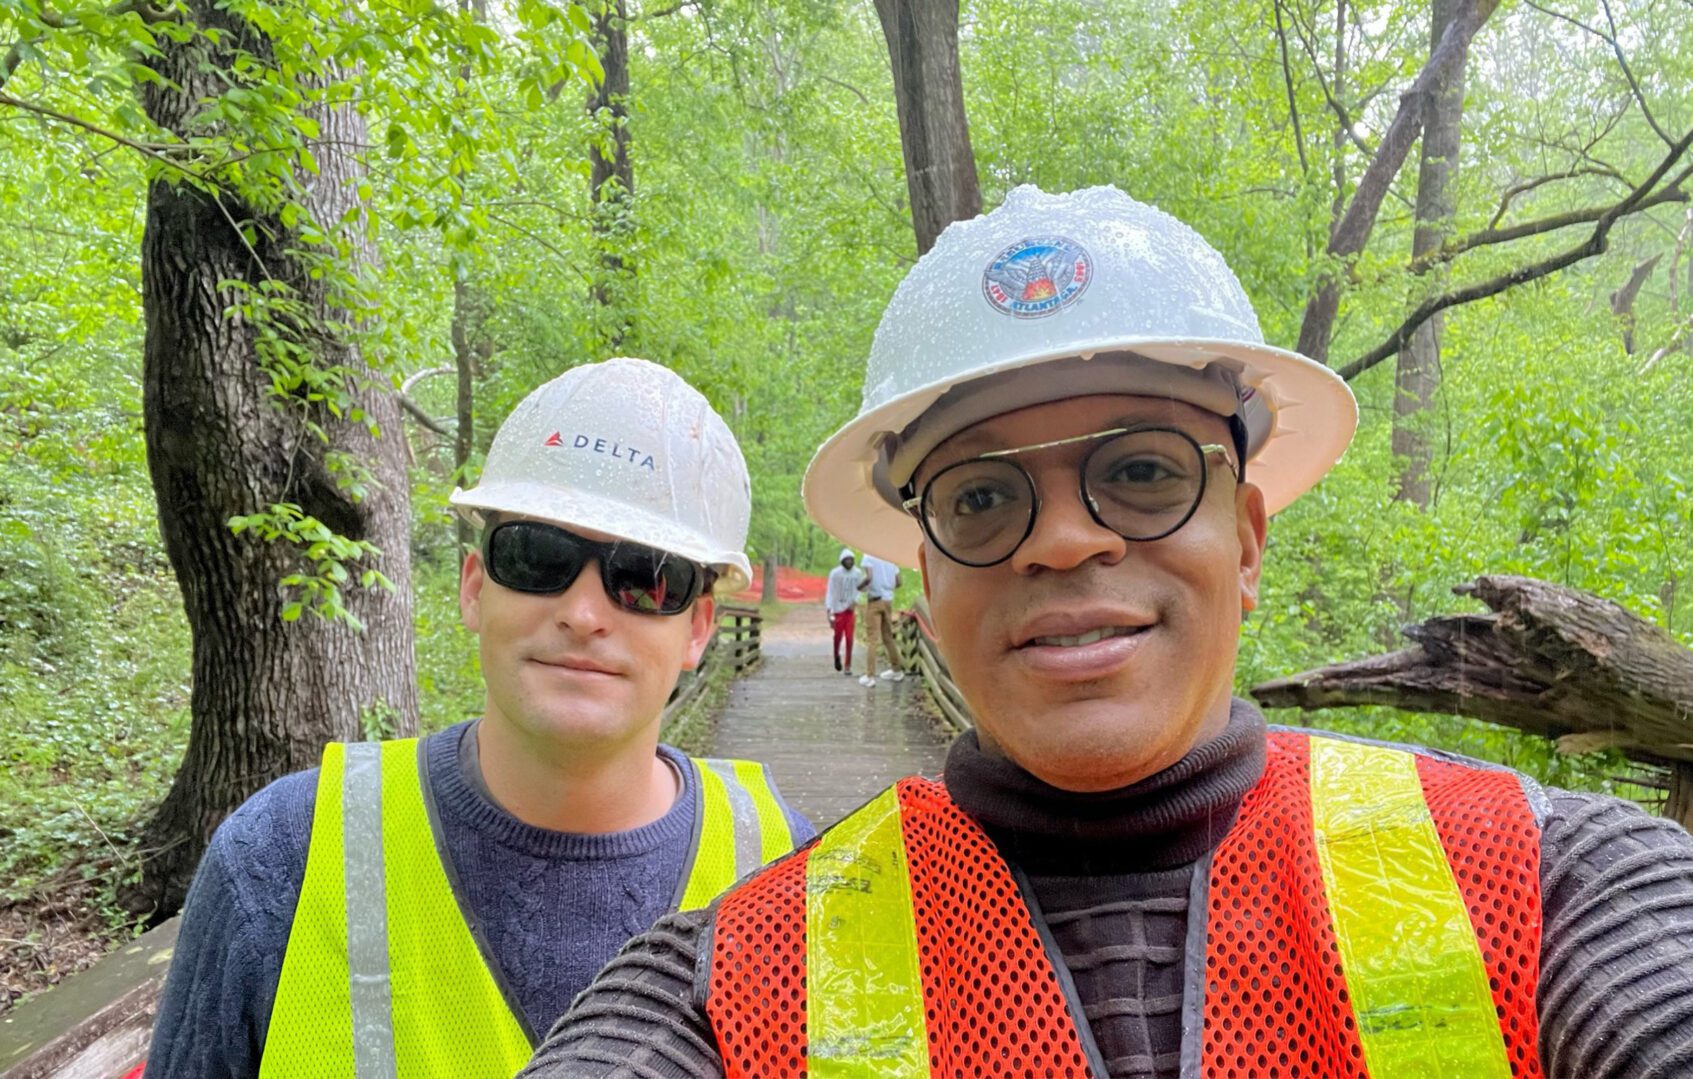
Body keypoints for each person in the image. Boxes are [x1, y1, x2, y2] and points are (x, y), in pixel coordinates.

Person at [519, 188, 1693, 1078]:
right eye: (983, 496)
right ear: (927, 582)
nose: (1065, 540)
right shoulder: (729, 985)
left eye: (1140, 472)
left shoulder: (1547, 885)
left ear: (1243, 535)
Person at [145, 357, 812, 1079]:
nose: (583, 614)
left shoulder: (792, 875)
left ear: (697, 627)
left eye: (644, 578)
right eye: (536, 555)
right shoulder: (282, 859)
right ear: (474, 588)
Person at [857, 550, 904, 685]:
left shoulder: (868, 556)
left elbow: (868, 577)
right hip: (888, 600)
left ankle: (870, 676)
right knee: (888, 636)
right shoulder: (889, 555)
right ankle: (897, 671)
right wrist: (887, 586)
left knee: (872, 638)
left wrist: (859, 587)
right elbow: (899, 581)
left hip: (875, 600)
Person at [823, 547, 863, 675]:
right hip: (838, 609)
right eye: (847, 560)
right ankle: (836, 656)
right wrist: (829, 608)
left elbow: (860, 590)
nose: (849, 562)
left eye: (851, 560)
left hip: (850, 610)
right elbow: (830, 590)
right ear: (842, 561)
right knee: (837, 636)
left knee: (849, 637)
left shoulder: (857, 573)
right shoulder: (835, 573)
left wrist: (855, 601)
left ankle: (848, 665)